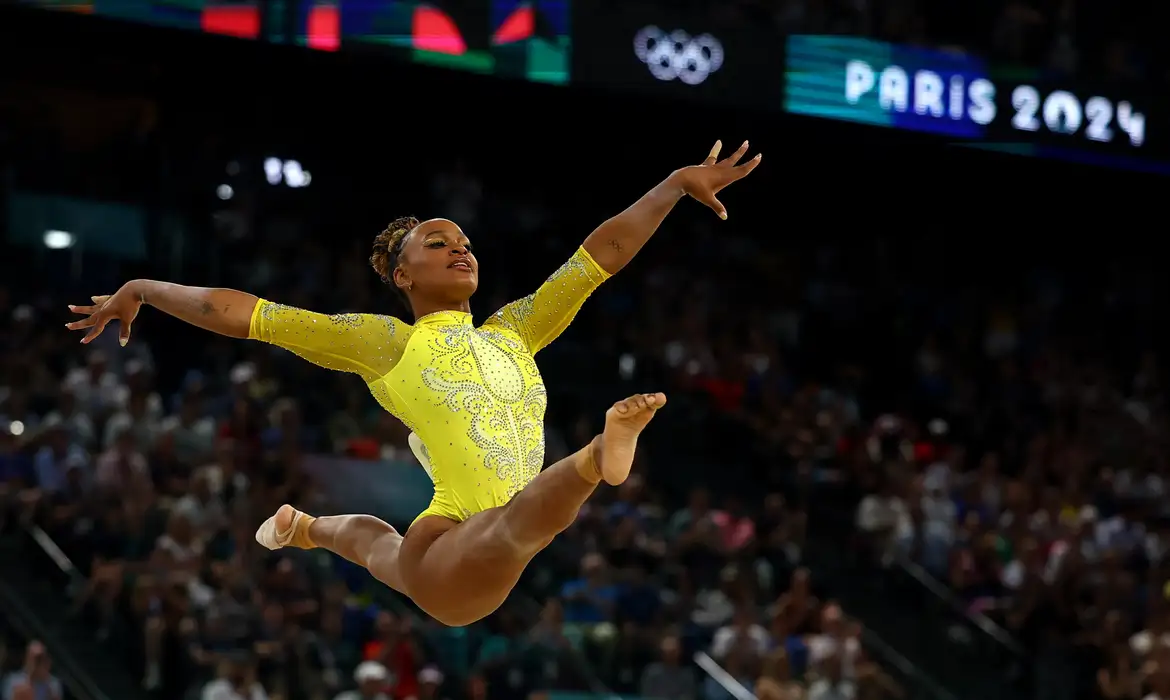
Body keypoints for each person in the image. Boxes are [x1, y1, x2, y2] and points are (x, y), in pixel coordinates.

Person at [66, 140, 762, 626]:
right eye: (437, 243)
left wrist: (673, 185)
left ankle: (302, 528)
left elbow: (598, 255)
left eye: (464, 241)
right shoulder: (386, 344)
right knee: (503, 527)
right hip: (460, 549)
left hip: (468, 554)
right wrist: (143, 288)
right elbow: (242, 312)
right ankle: (597, 458)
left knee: (375, 546)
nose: (459, 247)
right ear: (402, 275)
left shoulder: (514, 330)